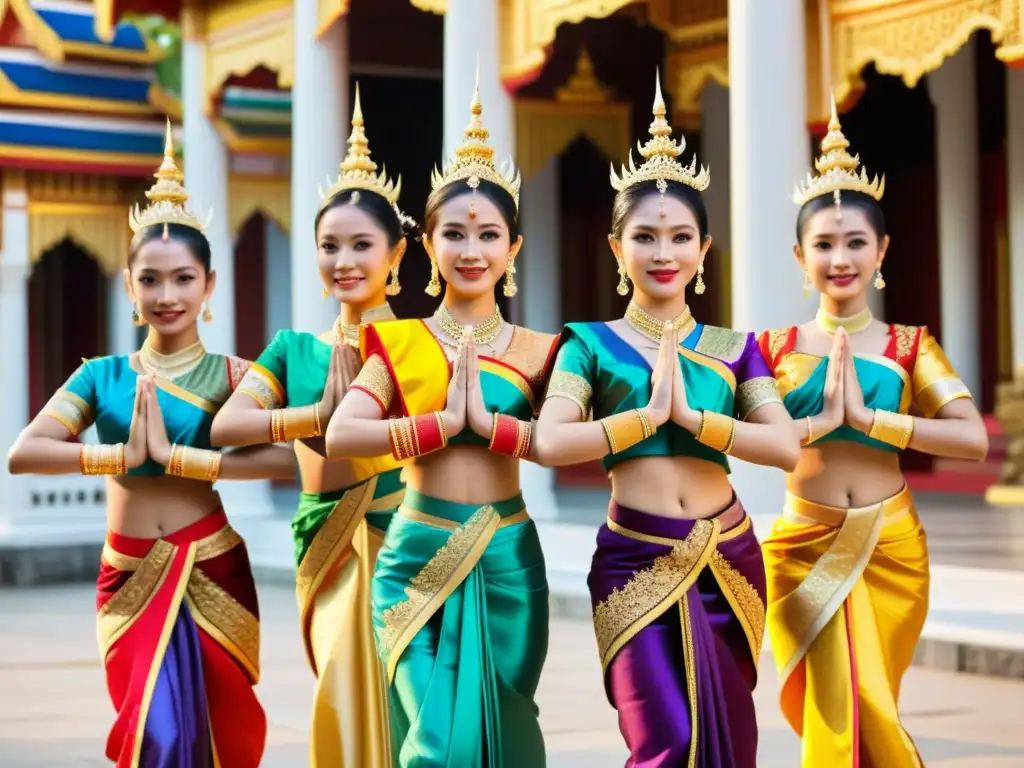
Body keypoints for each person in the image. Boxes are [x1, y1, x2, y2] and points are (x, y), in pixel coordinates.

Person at [6, 122, 294, 768]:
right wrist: (119, 459)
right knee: (158, 737)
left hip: (214, 566)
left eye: (184, 279)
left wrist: (188, 460)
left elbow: (299, 456)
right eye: (152, 280)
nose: (168, 295)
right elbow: (24, 451)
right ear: (131, 287)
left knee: (221, 737)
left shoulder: (238, 377)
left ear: (209, 287)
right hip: (132, 573)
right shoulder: (102, 376)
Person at [533, 74, 799, 767]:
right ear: (618, 249)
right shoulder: (587, 344)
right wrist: (646, 418)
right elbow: (551, 440)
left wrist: (694, 419)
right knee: (665, 739)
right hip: (633, 554)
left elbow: (785, 448)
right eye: (645, 237)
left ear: (704, 252)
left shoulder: (736, 349)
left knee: (729, 739)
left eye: (681, 237)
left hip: (730, 552)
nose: (663, 253)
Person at [324, 71, 557, 767]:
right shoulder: (398, 344)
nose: (470, 249)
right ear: (427, 246)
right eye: (453, 233)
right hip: (413, 557)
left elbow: (567, 445)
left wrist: (494, 429)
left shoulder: (540, 352)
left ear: (512, 250)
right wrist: (436, 428)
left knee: (503, 735)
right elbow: (343, 434)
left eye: (488, 234)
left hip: (509, 561)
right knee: (435, 744)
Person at [758, 98, 989, 767]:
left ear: (881, 250)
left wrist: (871, 421)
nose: (840, 258)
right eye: (824, 245)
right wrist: (816, 424)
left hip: (890, 544)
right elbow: (740, 438)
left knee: (871, 699)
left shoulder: (909, 344)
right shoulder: (770, 347)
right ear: (801, 256)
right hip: (802, 545)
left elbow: (970, 438)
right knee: (843, 704)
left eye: (855, 242)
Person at [209, 84, 414, 768]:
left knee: (408, 703)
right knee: (341, 693)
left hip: (408, 543)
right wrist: (316, 418)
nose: (344, 261)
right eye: (330, 246)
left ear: (397, 256)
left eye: (362, 244)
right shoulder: (294, 350)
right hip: (326, 544)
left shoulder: (420, 345)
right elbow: (229, 424)